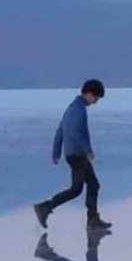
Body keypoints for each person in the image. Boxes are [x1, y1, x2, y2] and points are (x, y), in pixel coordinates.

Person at [35, 79, 111, 232]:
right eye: (96, 98)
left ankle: (92, 219)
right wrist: (87, 151)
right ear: (89, 94)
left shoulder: (72, 107)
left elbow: (60, 130)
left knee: (93, 185)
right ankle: (45, 207)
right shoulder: (78, 110)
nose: (96, 102)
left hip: (73, 154)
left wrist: (56, 152)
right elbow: (76, 133)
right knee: (76, 189)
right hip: (78, 155)